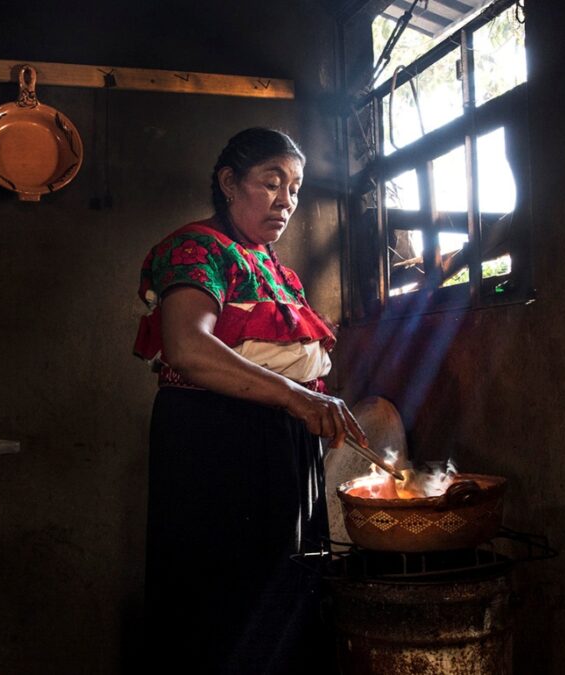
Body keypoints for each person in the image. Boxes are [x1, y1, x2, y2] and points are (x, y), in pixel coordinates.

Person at [134, 128, 367, 673]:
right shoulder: (197, 248)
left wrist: (309, 406)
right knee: (226, 596)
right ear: (229, 183)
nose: (286, 199)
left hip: (281, 436)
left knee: (288, 587)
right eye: (272, 182)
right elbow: (188, 347)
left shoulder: (273, 268)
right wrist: (294, 398)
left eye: (295, 187)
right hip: (220, 436)